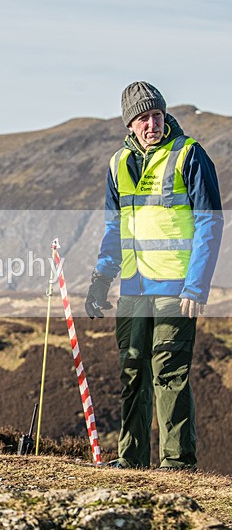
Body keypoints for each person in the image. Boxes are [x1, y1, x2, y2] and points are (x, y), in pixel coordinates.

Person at [86, 81, 223, 470]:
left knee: (169, 372)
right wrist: (101, 279)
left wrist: (196, 286)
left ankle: (177, 463)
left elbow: (210, 224)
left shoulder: (188, 155)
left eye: (157, 115)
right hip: (133, 287)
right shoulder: (117, 164)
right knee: (132, 373)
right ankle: (130, 460)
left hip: (175, 287)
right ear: (129, 124)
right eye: (143, 118)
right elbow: (115, 230)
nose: (152, 124)